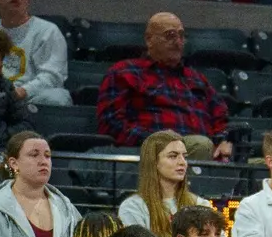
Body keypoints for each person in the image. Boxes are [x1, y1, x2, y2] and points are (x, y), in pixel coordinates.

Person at [96, 12, 232, 161]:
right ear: (149, 40)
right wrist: (159, 142)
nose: (178, 42)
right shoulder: (124, 72)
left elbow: (221, 117)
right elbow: (111, 123)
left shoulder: (197, 78)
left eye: (181, 36)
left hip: (206, 153)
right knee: (202, 144)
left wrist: (223, 141)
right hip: (155, 156)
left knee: (259, 162)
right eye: (170, 35)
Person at [120, 130, 229, 237]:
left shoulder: (201, 205)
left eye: (184, 156)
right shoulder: (133, 208)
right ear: (154, 162)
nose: (182, 162)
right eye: (173, 156)